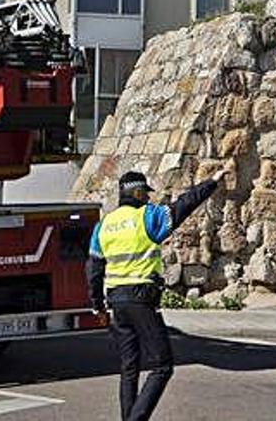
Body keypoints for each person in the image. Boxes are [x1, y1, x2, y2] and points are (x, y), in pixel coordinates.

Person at [87, 170, 226, 421]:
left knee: (129, 367)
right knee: (162, 365)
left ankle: (128, 416)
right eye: (145, 193)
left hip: (116, 302)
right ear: (139, 192)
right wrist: (211, 182)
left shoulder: (103, 224)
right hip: (141, 299)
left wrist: (97, 306)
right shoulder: (148, 216)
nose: (147, 198)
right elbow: (184, 204)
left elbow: (94, 269)